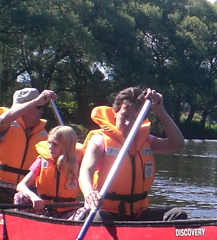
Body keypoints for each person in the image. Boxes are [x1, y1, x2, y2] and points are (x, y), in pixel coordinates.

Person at [77, 86, 188, 221]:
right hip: (105, 211)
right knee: (101, 219)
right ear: (115, 113)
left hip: (138, 213)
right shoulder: (100, 140)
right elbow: (85, 171)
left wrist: (159, 109)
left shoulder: (145, 140)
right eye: (124, 116)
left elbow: (177, 143)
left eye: (134, 118)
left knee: (177, 214)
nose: (128, 122)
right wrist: (89, 192)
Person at [0, 87, 56, 204]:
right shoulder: (3, 123)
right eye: (38, 107)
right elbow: (4, 120)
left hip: (25, 190)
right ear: (25, 108)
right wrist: (36, 101)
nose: (41, 111)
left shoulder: (43, 134)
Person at [14, 125, 82, 217]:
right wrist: (33, 196)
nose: (50, 147)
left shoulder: (79, 163)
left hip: (69, 211)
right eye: (49, 143)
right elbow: (21, 185)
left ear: (66, 146)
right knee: (20, 197)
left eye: (55, 144)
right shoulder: (42, 161)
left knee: (89, 209)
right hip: (44, 209)